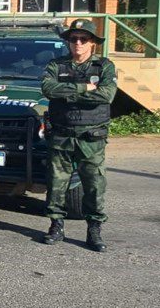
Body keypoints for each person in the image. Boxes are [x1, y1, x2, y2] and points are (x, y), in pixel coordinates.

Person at [40, 19, 117, 252]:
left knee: (94, 185)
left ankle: (94, 229)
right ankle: (56, 225)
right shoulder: (56, 65)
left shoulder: (104, 66)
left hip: (91, 137)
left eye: (84, 39)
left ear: (92, 43)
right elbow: (48, 89)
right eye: (74, 39)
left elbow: (107, 95)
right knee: (57, 184)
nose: (78, 44)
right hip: (62, 135)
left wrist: (67, 93)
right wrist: (84, 89)